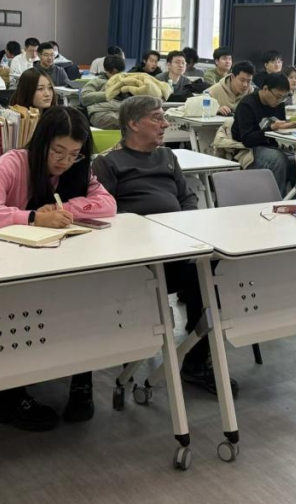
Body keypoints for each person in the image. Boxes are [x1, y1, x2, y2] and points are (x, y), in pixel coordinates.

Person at [0, 106, 116, 428]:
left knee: (86, 299)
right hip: (10, 268)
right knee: (18, 309)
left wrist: (67, 207)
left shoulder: (78, 170)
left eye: (74, 154)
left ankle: (82, 381)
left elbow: (108, 204)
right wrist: (33, 217)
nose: (64, 161)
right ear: (42, 142)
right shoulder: (14, 163)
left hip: (60, 264)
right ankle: (9, 397)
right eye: (58, 151)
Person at [92, 96, 234, 395]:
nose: (166, 124)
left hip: (177, 246)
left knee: (217, 269)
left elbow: (187, 196)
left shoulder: (167, 156)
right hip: (139, 259)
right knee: (202, 276)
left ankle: (196, 361)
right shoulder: (107, 163)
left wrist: (185, 224)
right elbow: (105, 214)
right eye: (157, 118)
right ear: (133, 124)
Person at [232, 72, 296, 194]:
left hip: (271, 147)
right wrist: (271, 128)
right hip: (246, 150)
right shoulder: (247, 105)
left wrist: (292, 126)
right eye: (278, 96)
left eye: (284, 97)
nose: (280, 100)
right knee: (277, 159)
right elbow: (247, 140)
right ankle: (277, 200)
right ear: (266, 89)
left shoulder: (279, 105)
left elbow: (279, 129)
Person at [81, 54, 127, 129]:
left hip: (122, 110)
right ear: (106, 70)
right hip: (102, 111)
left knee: (137, 121)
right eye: (112, 73)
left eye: (118, 73)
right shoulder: (96, 82)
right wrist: (108, 94)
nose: (115, 76)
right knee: (120, 122)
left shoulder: (126, 81)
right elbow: (84, 97)